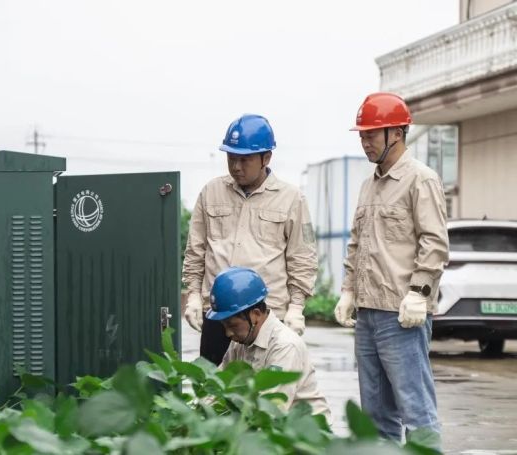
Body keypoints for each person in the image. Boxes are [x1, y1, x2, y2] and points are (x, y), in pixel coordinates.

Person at [334, 92, 449, 447]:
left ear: (396, 133)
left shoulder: (421, 180)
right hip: (368, 313)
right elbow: (357, 243)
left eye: (371, 134)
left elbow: (434, 242)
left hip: (402, 315)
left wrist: (419, 293)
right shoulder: (369, 186)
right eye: (362, 135)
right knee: (376, 416)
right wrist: (348, 290)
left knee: (416, 408)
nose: (365, 142)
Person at [182, 114, 317, 365]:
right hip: (219, 316)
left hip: (264, 319)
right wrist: (193, 295)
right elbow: (195, 252)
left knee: (265, 388)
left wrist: (296, 307)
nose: (236, 166)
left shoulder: (291, 199)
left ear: (266, 158)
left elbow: (302, 258)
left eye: (244, 159)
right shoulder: (211, 193)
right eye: (231, 158)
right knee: (212, 386)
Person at [207, 266, 331, 419]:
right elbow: (219, 385)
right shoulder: (239, 341)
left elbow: (272, 408)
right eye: (224, 326)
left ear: (255, 314)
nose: (228, 333)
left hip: (304, 428)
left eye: (233, 326)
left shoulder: (285, 346)